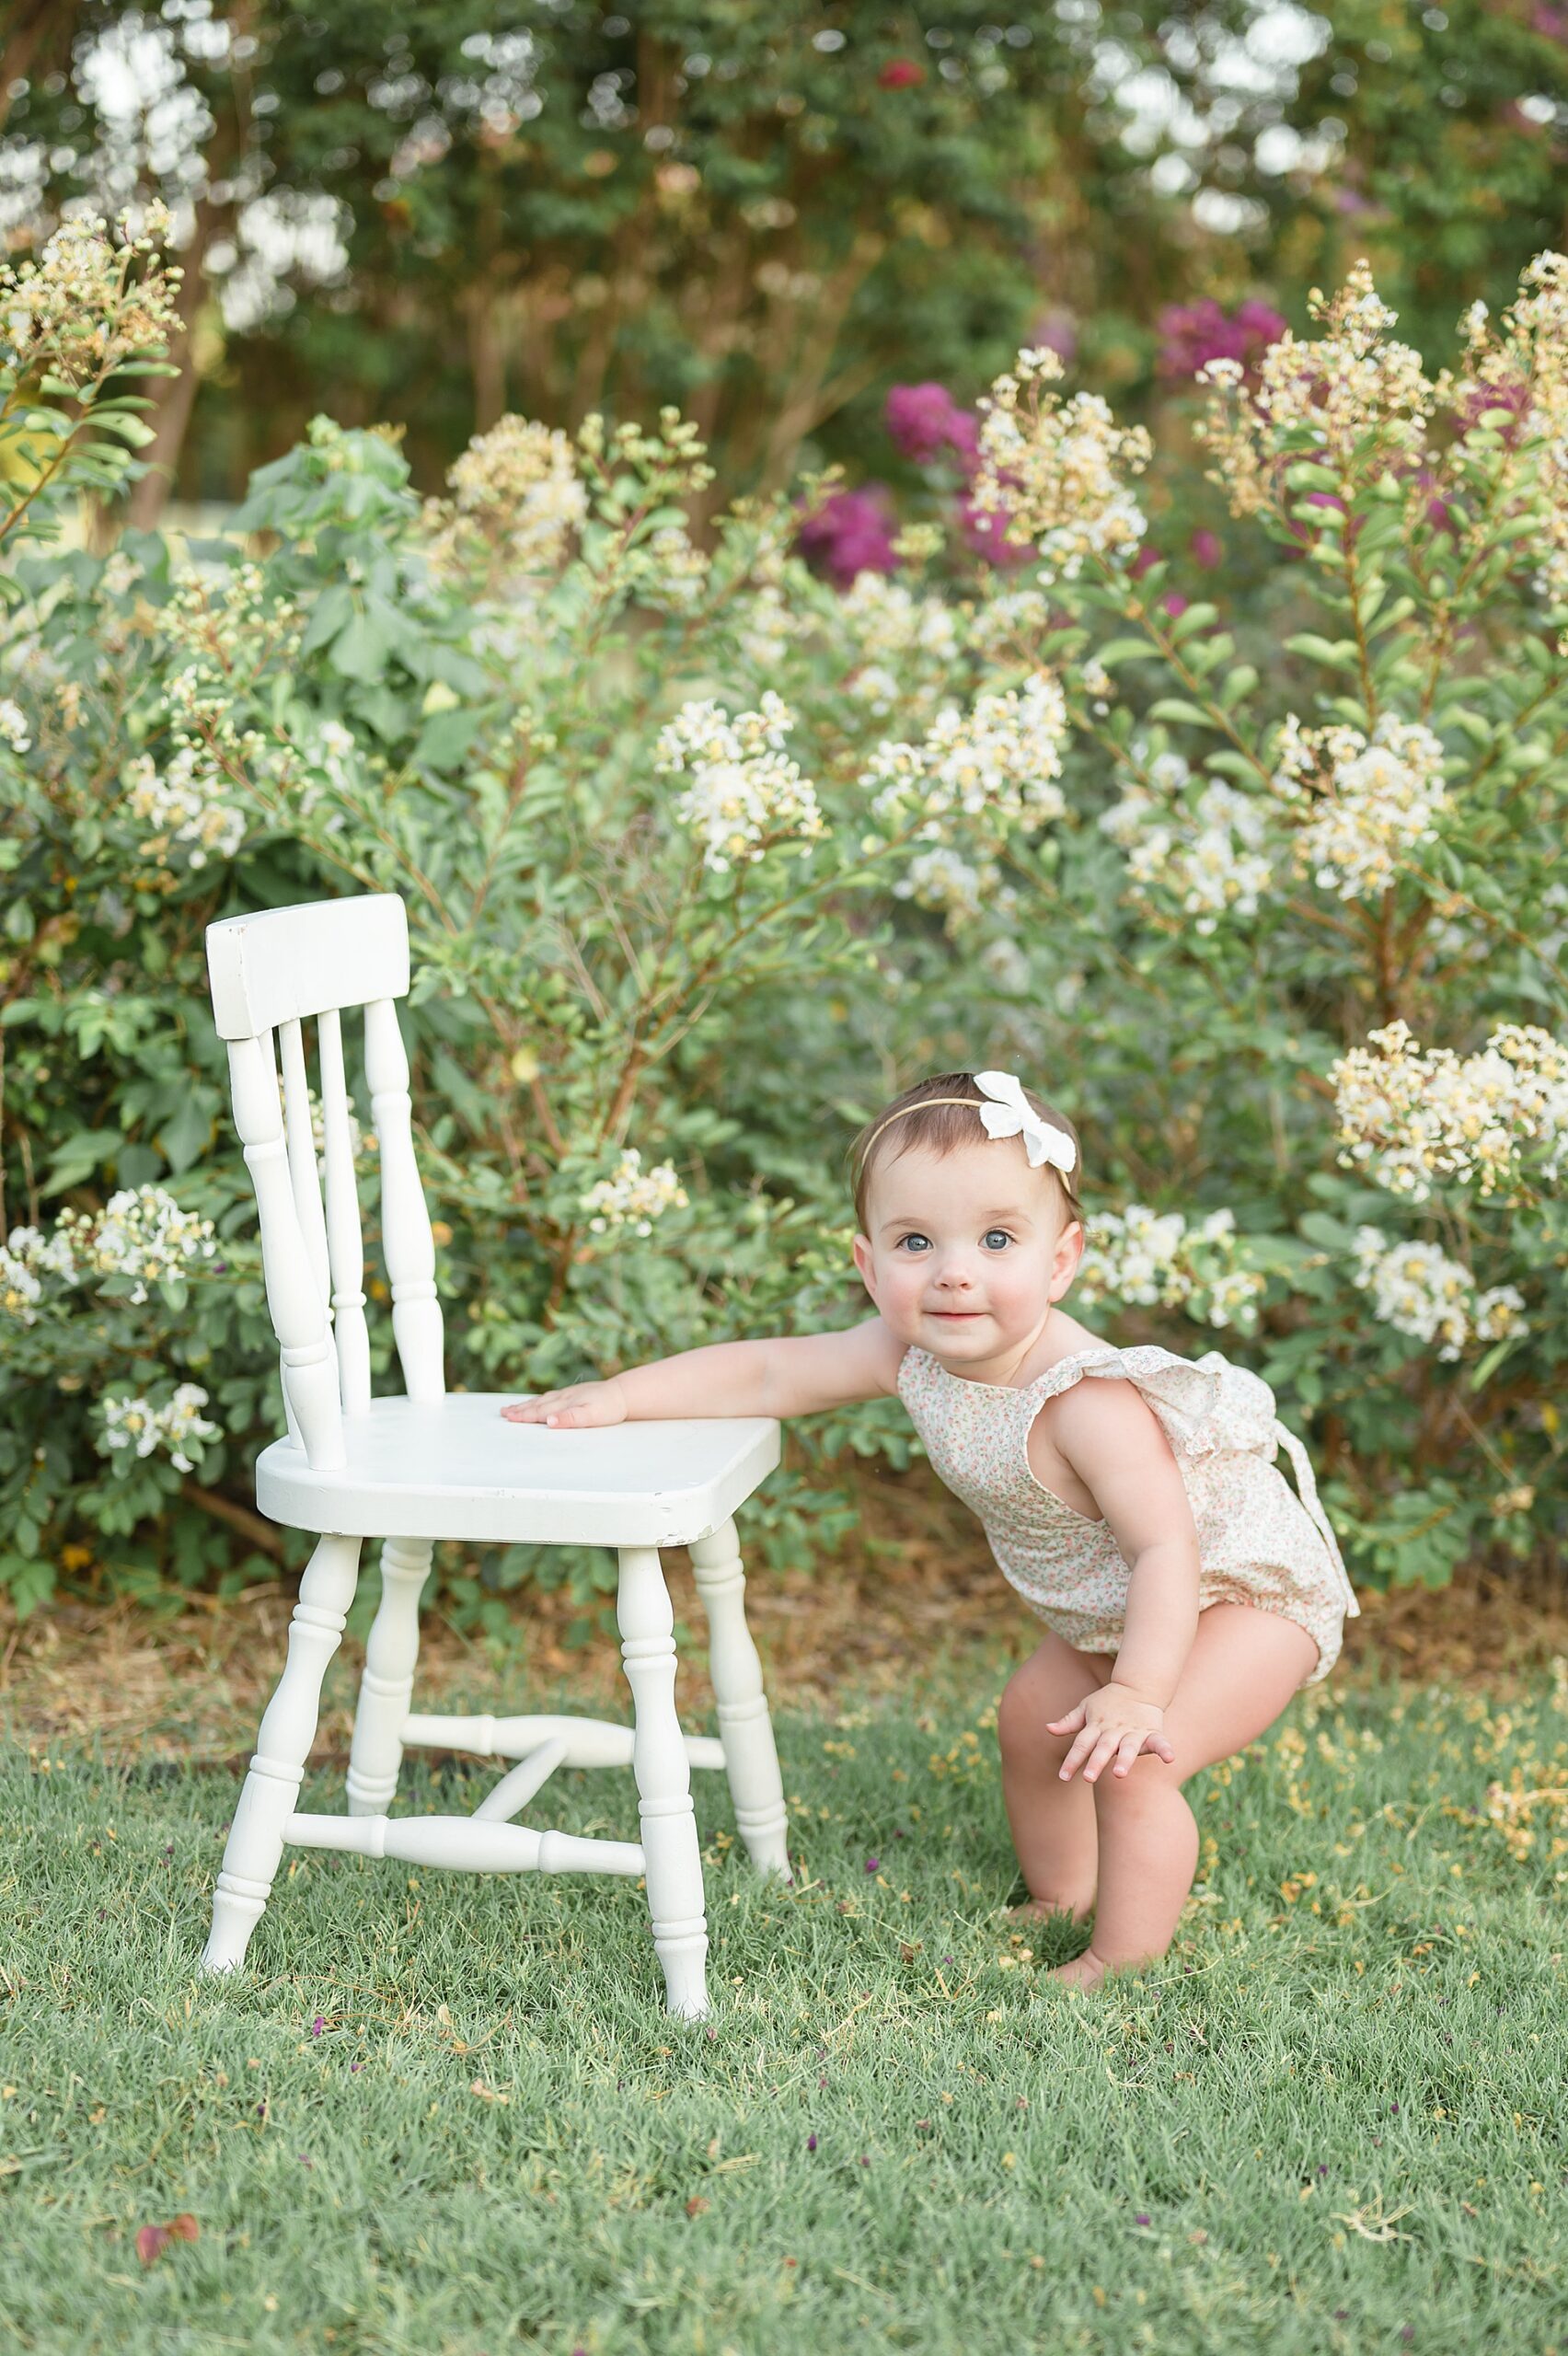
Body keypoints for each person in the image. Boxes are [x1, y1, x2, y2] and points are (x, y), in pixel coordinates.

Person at [502, 1069, 1359, 1990]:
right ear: (869, 1264)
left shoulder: (1086, 1400)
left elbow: (1165, 1549)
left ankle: (1123, 1957)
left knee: (1132, 1762)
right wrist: (624, 1395)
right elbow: (765, 1377)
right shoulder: (909, 1350)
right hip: (1114, 1608)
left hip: (1238, 1596)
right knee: (1033, 1720)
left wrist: (1142, 1692)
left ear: (1060, 1260)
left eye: (997, 1239)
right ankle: (1063, 1892)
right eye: (917, 1240)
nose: (954, 1270)